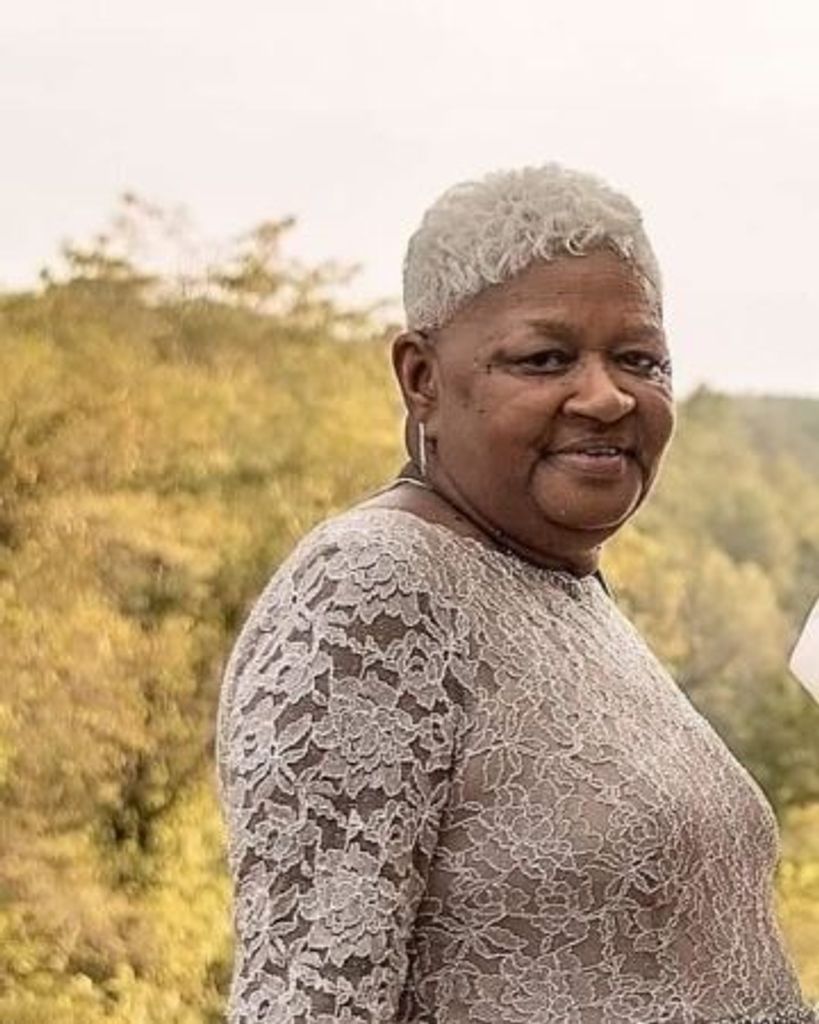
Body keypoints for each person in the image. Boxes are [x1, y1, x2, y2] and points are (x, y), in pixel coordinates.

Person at [215, 164, 817, 1024]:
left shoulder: (558, 583)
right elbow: (310, 1002)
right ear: (420, 377)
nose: (606, 396)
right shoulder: (371, 589)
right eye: (545, 359)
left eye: (639, 359)